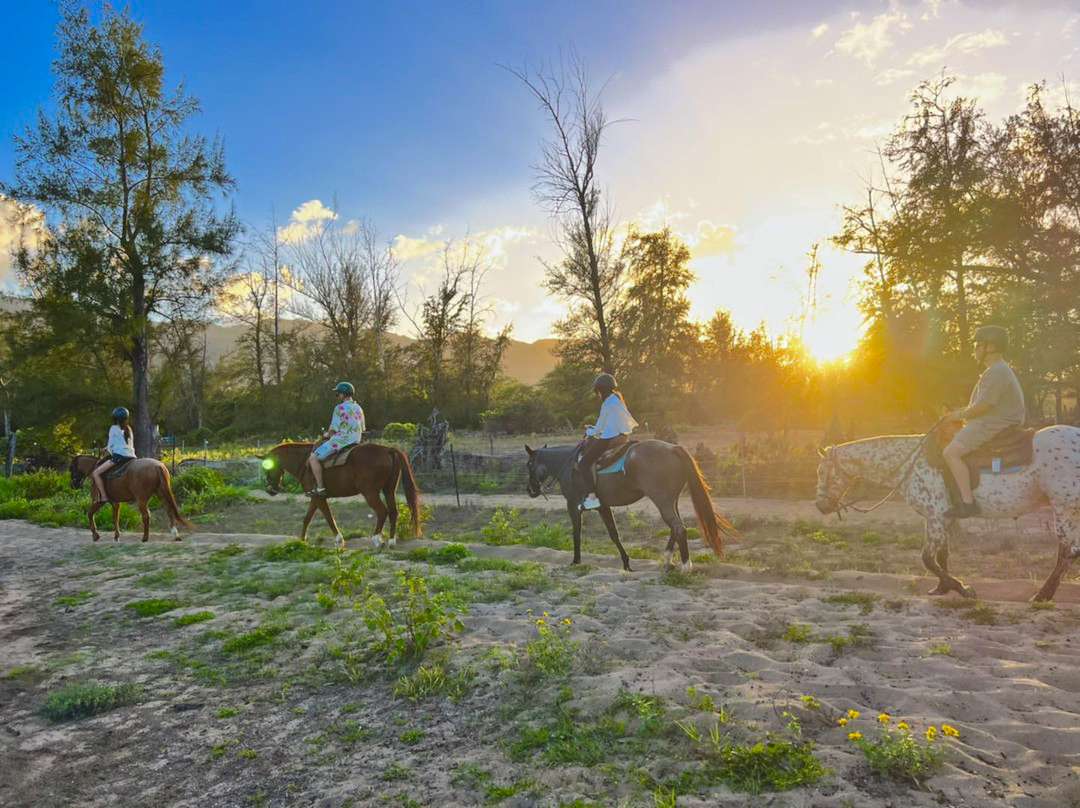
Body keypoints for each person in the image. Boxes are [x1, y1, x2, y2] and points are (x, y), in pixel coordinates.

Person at [942, 325, 1026, 518]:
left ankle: (967, 503)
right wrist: (959, 412)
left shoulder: (997, 371)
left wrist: (955, 416)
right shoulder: (996, 371)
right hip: (992, 420)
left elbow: (984, 406)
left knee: (951, 453)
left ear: (990, 347)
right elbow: (979, 405)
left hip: (993, 423)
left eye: (978, 345)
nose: (975, 349)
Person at [578, 373, 638, 511]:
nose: (598, 394)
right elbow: (605, 425)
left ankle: (592, 497)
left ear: (600, 390)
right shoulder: (616, 400)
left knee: (584, 463)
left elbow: (601, 429)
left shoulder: (607, 403)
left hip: (611, 438)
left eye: (598, 391)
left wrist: (589, 431)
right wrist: (594, 429)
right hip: (622, 436)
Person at [307, 382, 366, 497]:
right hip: (356, 440)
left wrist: (325, 435)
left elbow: (333, 430)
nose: (337, 396)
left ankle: (320, 488)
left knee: (313, 458)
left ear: (343, 394)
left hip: (341, 441)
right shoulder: (358, 407)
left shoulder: (339, 408)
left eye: (338, 393)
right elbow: (362, 428)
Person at [92, 407, 136, 502]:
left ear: (115, 418)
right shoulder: (129, 429)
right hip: (132, 456)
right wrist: (107, 447)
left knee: (95, 473)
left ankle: (103, 496)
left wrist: (105, 450)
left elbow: (111, 447)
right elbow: (123, 443)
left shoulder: (113, 428)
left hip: (119, 457)